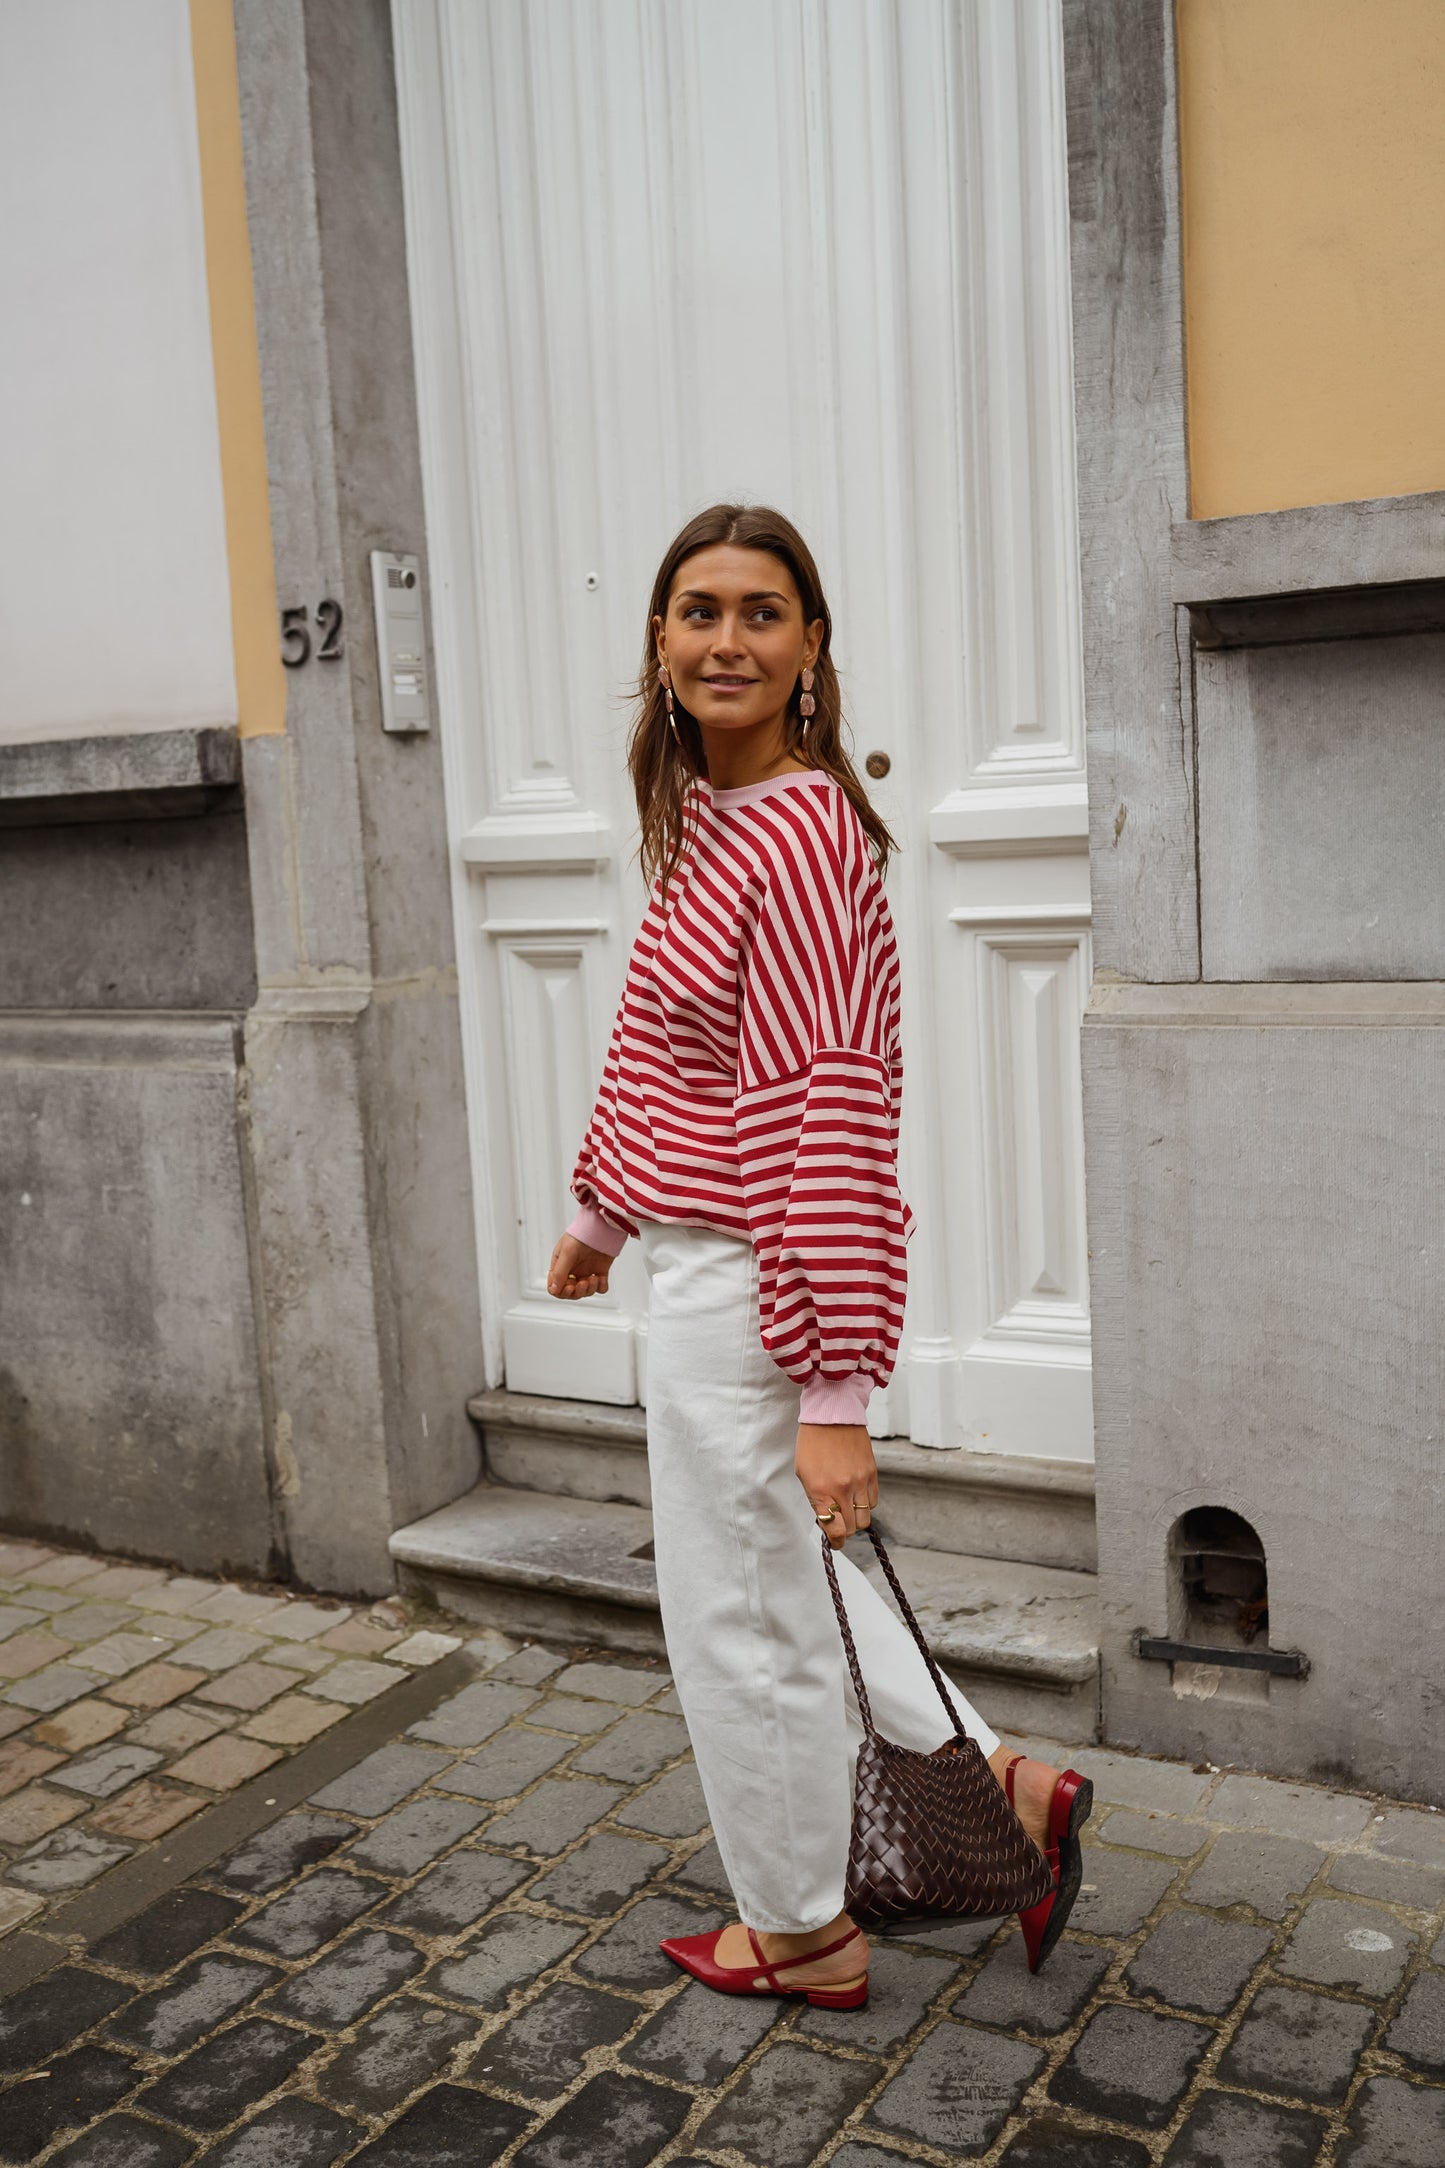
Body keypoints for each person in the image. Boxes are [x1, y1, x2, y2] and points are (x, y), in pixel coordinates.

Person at [548, 505, 1090, 2008]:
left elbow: (830, 1112)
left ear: (809, 652)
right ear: (657, 644)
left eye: (762, 612)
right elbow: (666, 1050)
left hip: (756, 1286)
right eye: (698, 609)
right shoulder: (715, 821)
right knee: (787, 1581)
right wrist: (600, 1219)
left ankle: (798, 1926)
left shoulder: (791, 835)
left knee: (742, 1623)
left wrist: (841, 1382)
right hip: (714, 1264)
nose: (727, 637)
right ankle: (1001, 1786)